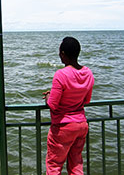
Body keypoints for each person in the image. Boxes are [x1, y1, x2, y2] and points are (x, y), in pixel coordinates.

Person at [43, 37, 94, 175]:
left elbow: (52, 104)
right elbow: (87, 100)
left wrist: (48, 96)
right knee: (76, 165)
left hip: (63, 128)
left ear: (63, 54)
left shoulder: (61, 74)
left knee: (54, 165)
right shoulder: (88, 73)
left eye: (60, 52)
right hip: (81, 125)